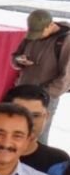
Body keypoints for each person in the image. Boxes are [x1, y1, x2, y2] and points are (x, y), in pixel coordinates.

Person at [0, 84, 69, 171]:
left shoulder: (58, 162)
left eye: (36, 116)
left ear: (46, 117)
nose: (29, 123)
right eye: (20, 115)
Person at [11, 8, 70, 143]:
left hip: (45, 96)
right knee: (17, 132)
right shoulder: (32, 35)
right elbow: (15, 57)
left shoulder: (65, 41)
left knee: (38, 137)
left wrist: (45, 94)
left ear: (50, 25)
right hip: (23, 91)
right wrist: (18, 60)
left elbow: (66, 78)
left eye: (39, 33)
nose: (36, 36)